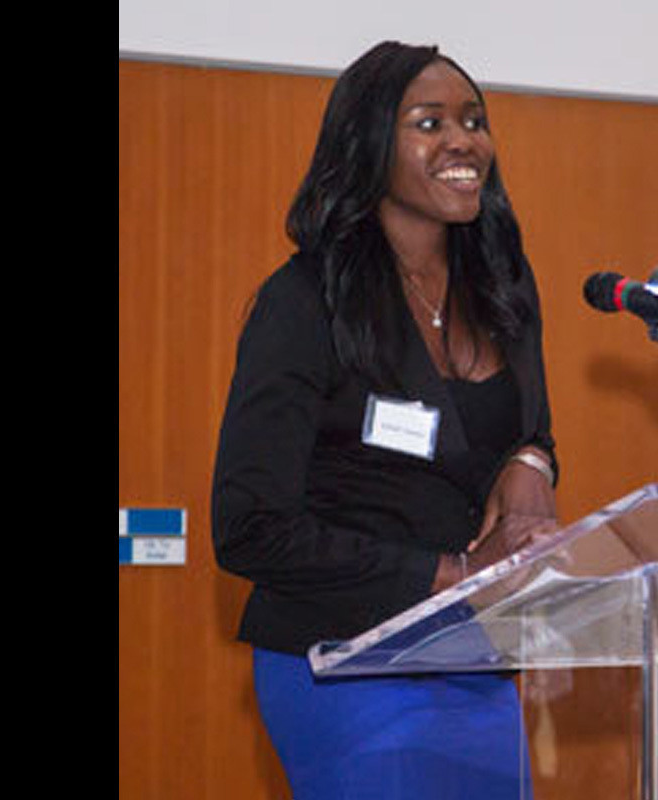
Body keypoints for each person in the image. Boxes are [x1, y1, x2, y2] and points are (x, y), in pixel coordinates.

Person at [211, 40, 559, 799]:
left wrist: (531, 469)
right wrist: (452, 575)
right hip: (345, 659)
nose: (463, 140)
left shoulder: (502, 285)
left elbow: (528, 428)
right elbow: (249, 526)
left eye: (473, 120)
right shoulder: (305, 303)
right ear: (368, 144)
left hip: (475, 661)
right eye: (429, 124)